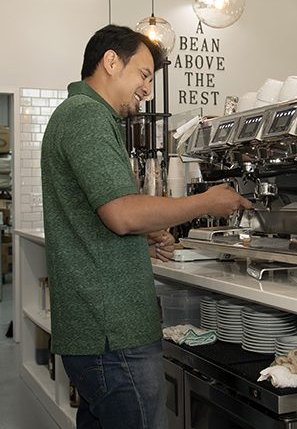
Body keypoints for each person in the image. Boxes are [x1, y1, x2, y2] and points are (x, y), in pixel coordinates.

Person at [41, 25, 252, 429]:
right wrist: (207, 202)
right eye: (143, 75)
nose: (147, 90)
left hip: (97, 332)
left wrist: (142, 242)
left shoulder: (79, 115)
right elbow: (122, 214)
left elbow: (100, 219)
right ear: (110, 61)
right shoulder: (87, 116)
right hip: (113, 335)